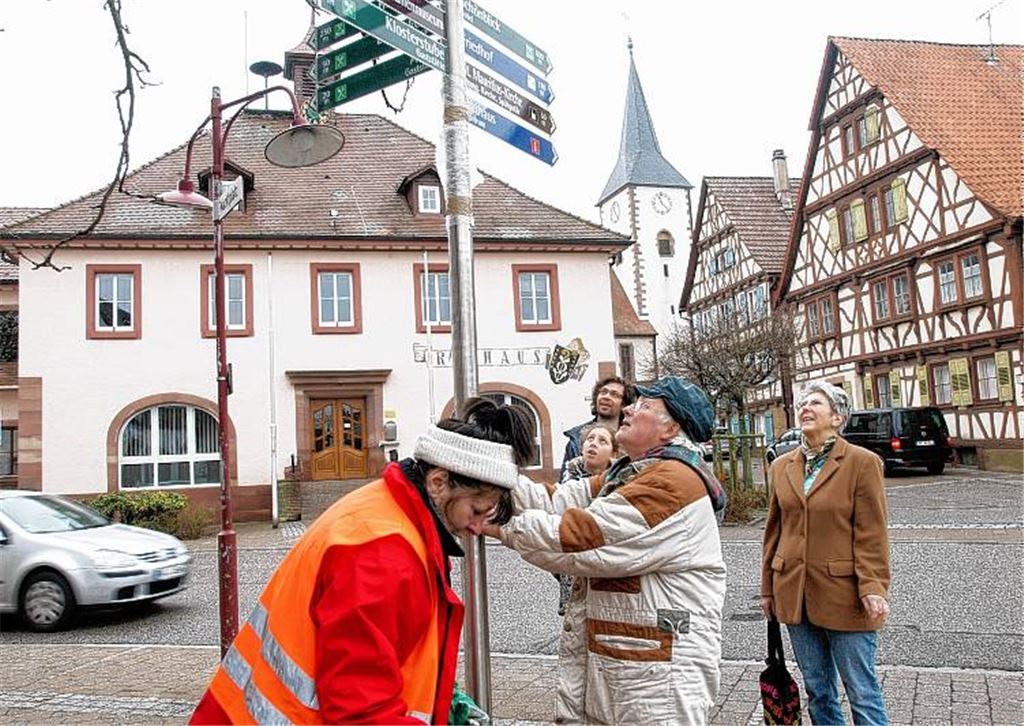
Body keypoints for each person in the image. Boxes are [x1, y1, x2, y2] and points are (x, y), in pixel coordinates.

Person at [190, 397, 535, 725]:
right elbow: (362, 711)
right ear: (438, 482)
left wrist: (440, 695)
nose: (477, 528)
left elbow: (384, 656)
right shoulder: (383, 556)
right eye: (475, 510)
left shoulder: (389, 513)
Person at [485, 376, 728, 725]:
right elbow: (554, 500)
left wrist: (495, 524)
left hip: (657, 680)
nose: (628, 408)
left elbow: (584, 540)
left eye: (644, 405)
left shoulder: (672, 483)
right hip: (631, 664)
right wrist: (487, 471)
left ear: (671, 427)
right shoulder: (631, 474)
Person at [760, 380, 891, 726]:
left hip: (845, 594)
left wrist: (873, 586)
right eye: (803, 403)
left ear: (837, 418)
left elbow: (871, 531)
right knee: (818, 690)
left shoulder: (862, 463)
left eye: (816, 402)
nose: (805, 407)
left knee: (861, 691)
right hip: (793, 591)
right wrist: (767, 589)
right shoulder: (781, 465)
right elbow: (774, 531)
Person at [559, 375, 634, 481]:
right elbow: (564, 482)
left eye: (614, 395)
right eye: (603, 392)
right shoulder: (576, 439)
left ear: (624, 404)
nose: (606, 397)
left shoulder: (631, 439)